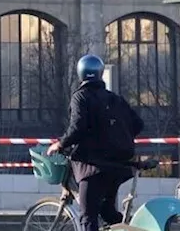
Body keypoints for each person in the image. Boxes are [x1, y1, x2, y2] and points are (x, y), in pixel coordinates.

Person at [47, 55, 145, 231]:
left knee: (88, 216)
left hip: (93, 168)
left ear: (80, 74)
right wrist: (113, 140)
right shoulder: (114, 99)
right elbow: (138, 124)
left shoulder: (81, 97)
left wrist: (60, 144)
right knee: (107, 212)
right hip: (117, 167)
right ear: (100, 74)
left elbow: (78, 128)